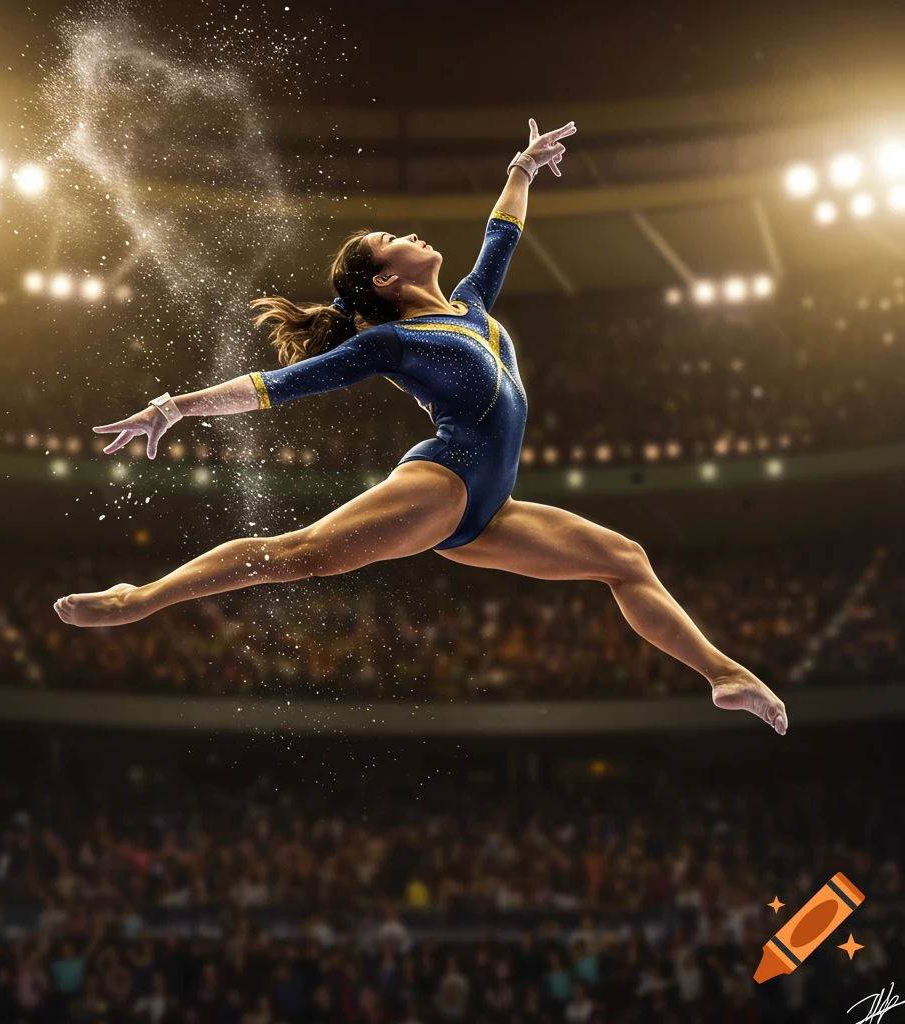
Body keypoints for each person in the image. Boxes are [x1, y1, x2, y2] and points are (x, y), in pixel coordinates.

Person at [54, 116, 787, 735]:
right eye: (390, 236)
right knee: (301, 553)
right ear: (385, 280)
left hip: (489, 507)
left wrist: (523, 169)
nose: (409, 231)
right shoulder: (389, 343)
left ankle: (723, 676)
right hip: (445, 479)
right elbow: (277, 387)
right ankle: (139, 599)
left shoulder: (470, 307)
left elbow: (501, 236)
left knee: (625, 559)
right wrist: (176, 407)